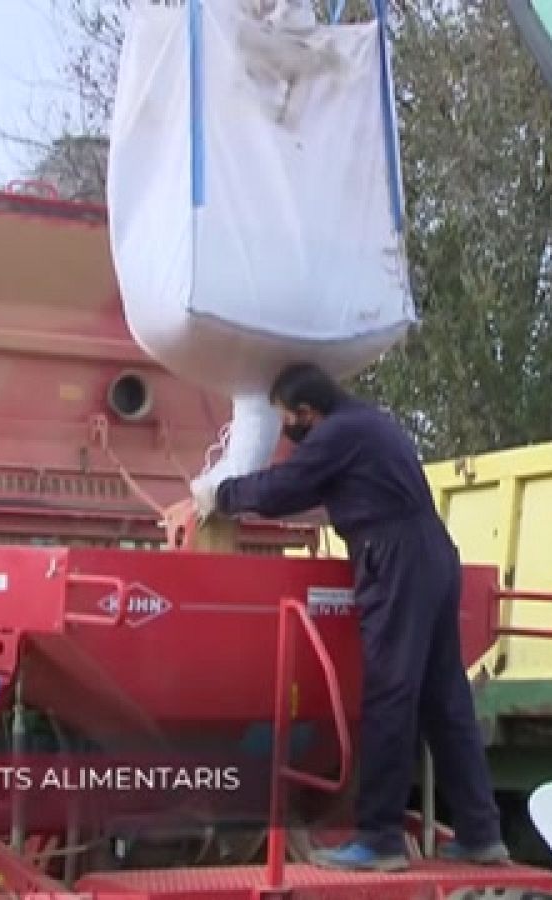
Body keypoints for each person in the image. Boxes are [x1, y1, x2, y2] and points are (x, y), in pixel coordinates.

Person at [191, 362, 509, 872]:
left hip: (394, 559)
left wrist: (222, 495)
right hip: (434, 554)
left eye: (286, 421)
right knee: (445, 698)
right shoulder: (373, 424)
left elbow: (282, 490)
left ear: (306, 413)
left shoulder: (338, 433)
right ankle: (480, 831)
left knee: (389, 694)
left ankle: (379, 839)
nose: (287, 432)